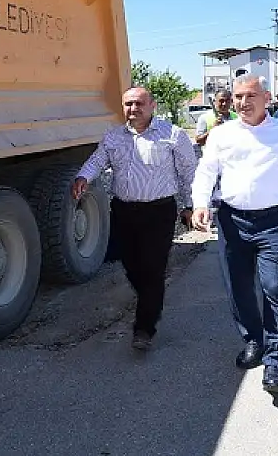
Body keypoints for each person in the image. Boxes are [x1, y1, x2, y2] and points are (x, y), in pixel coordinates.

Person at [191, 74, 278, 394]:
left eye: (250, 96)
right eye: (238, 97)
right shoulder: (221, 134)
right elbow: (207, 171)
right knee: (238, 287)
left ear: (266, 97)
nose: (243, 103)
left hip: (275, 222)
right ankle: (253, 340)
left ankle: (276, 360)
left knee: (275, 286)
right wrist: (200, 204)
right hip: (233, 222)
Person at [74, 87, 197, 352]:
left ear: (152, 105)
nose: (133, 108)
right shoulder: (113, 137)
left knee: (153, 268)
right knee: (131, 266)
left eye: (139, 103)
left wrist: (191, 205)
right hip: (123, 211)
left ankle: (144, 328)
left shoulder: (172, 135)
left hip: (159, 212)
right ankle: (150, 299)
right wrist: (83, 176)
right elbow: (97, 160)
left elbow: (188, 172)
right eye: (128, 104)